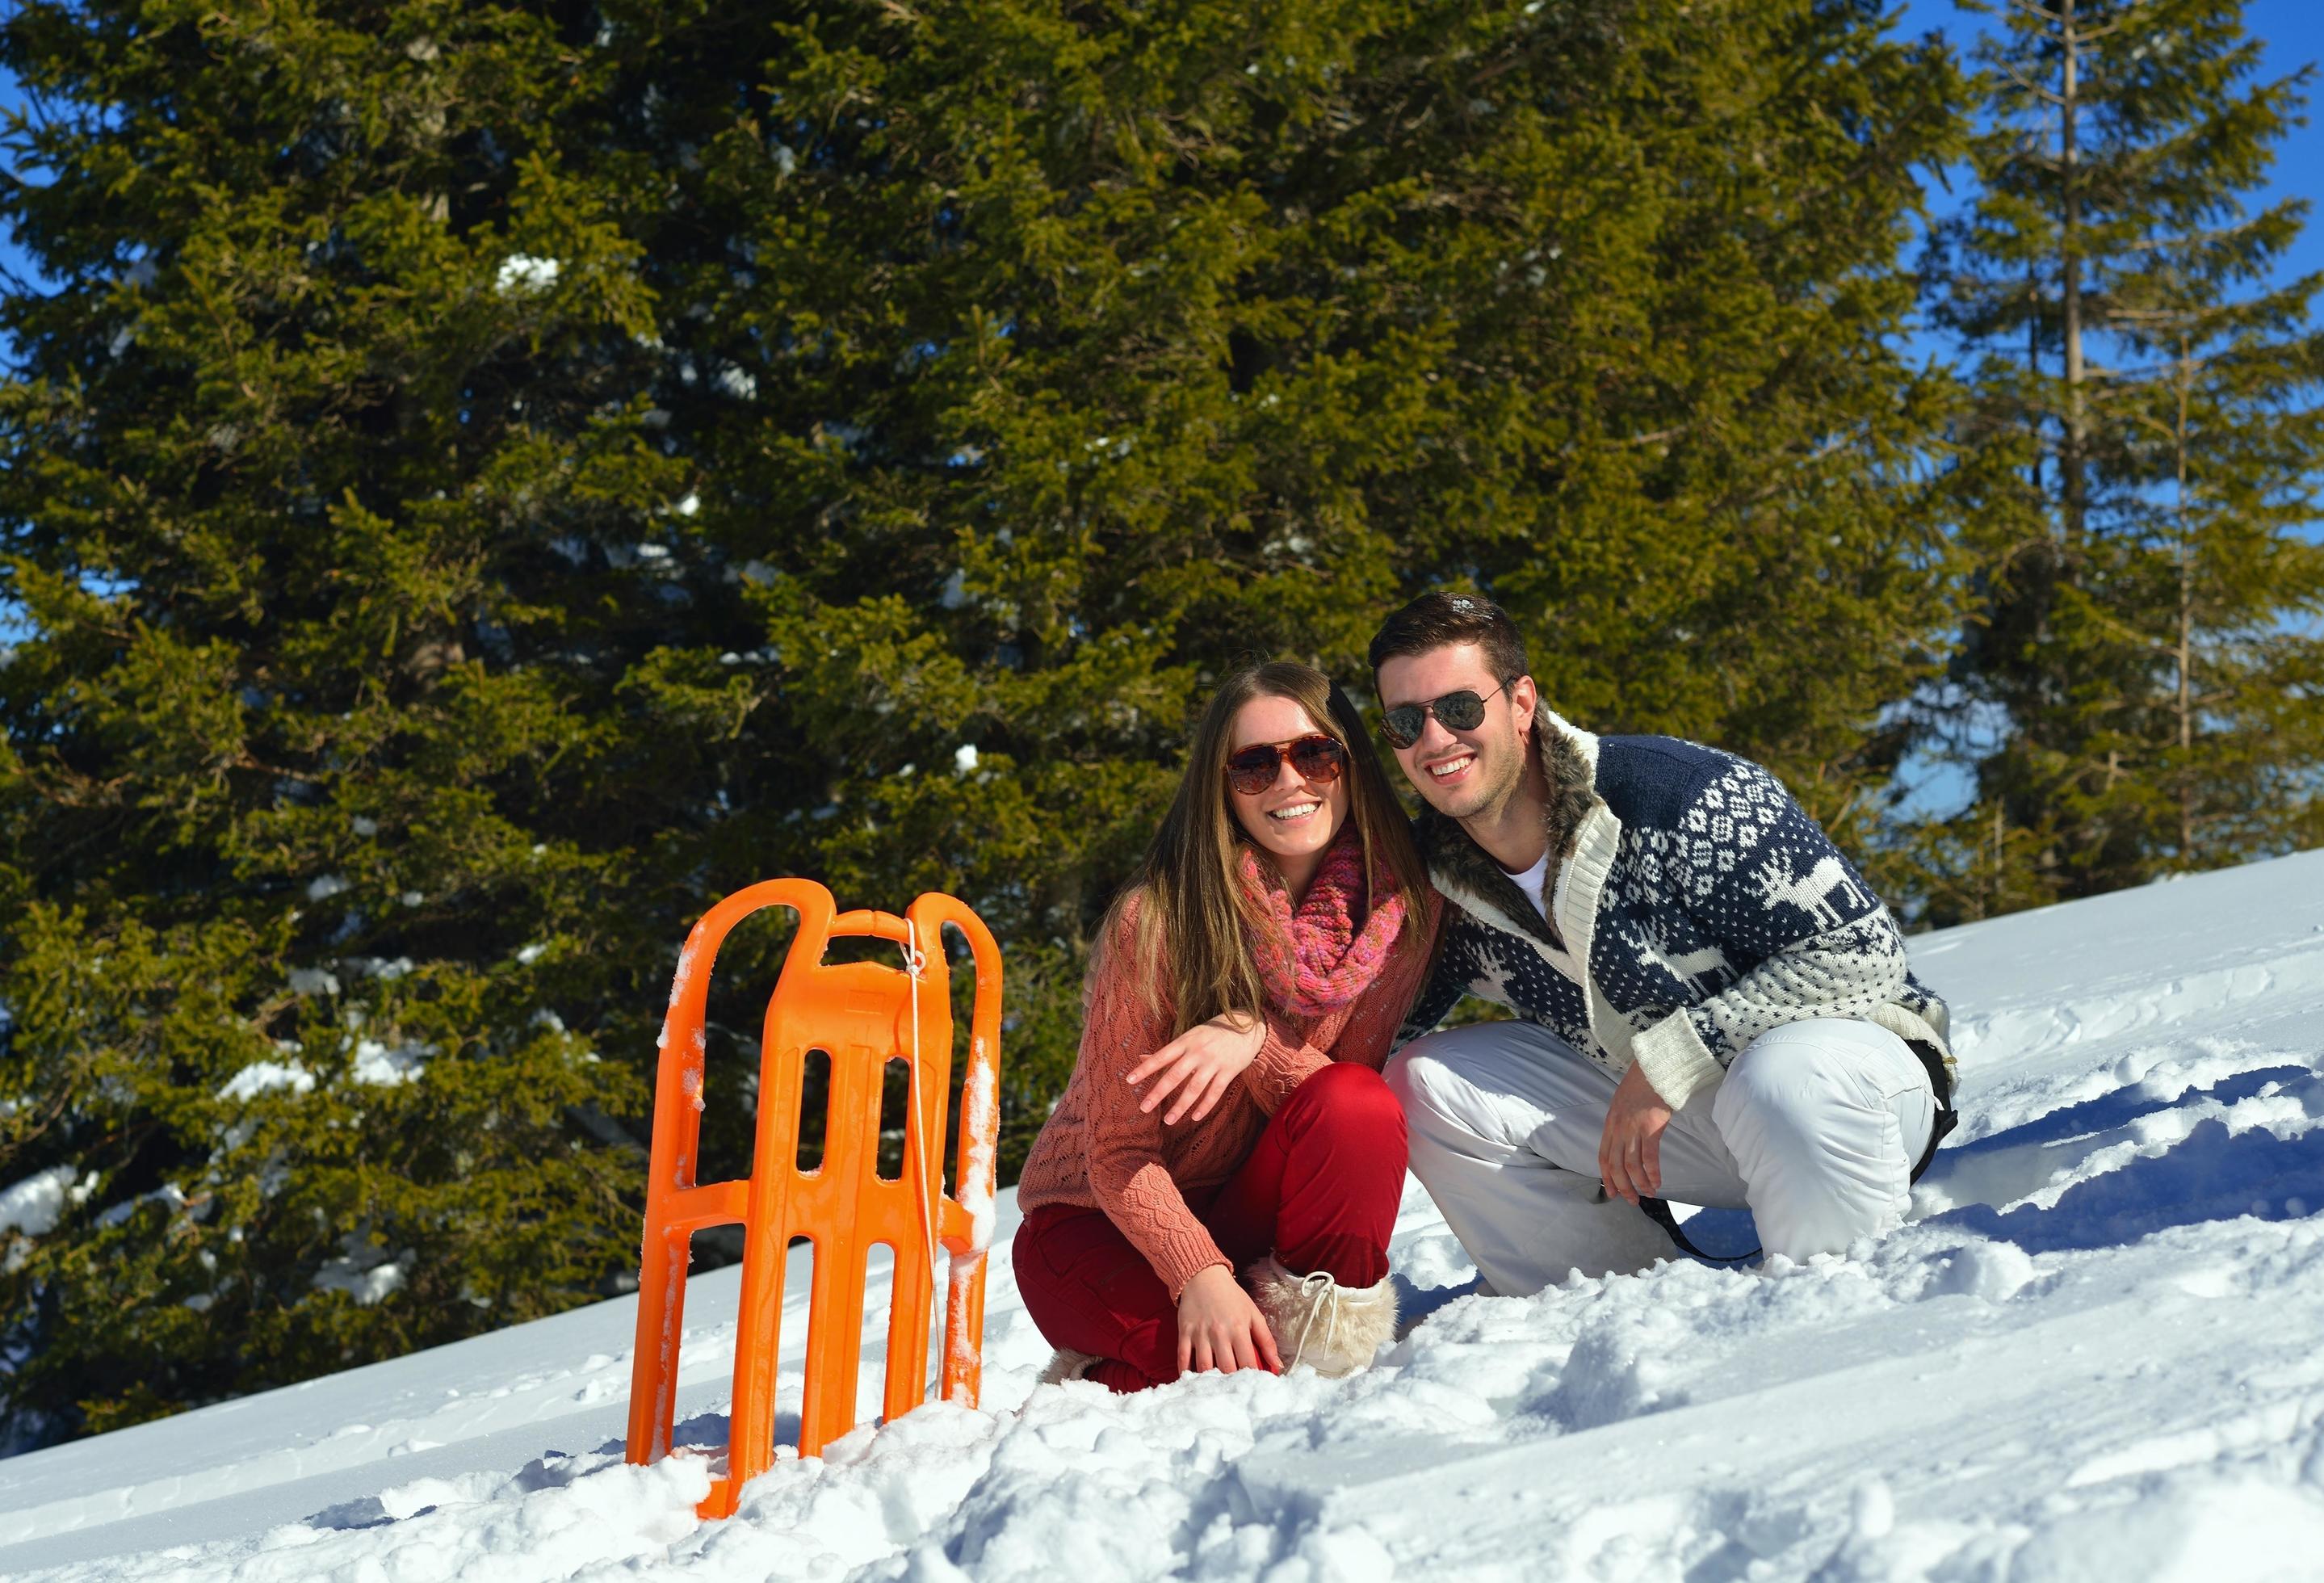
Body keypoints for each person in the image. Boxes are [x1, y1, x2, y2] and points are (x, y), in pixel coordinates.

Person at [1370, 592, 1956, 1295]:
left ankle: (1831, 1311)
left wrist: (1672, 1059)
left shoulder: (1682, 796)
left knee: (1782, 1078)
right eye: (1406, 722)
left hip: (1845, 1093)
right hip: (1671, 1134)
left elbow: (1863, 955)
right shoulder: (1426, 881)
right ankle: (1611, 1304)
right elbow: (1367, 1033)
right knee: (1423, 1083)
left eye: (1460, 708)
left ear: (1522, 702)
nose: (1435, 740)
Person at [1013, 661, 1441, 1390]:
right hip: (1098, 1221)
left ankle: (1329, 1346)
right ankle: (1095, 1377)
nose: (1288, 783)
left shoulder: (1398, 917)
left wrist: (1253, 1041)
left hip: (1245, 1211)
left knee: (1358, 1105)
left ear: (1352, 763)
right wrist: (1199, 1274)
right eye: (1253, 765)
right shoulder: (1157, 922)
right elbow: (1116, 1155)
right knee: (1222, 1376)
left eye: (1314, 753)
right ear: (1223, 787)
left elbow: (1340, 1111)